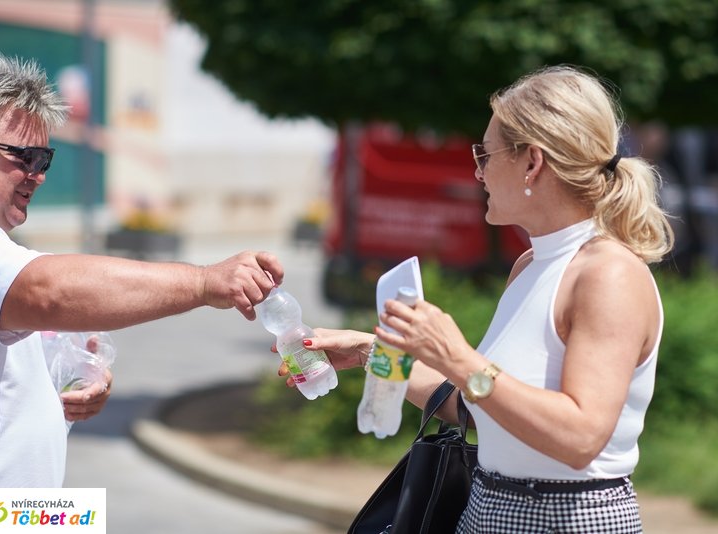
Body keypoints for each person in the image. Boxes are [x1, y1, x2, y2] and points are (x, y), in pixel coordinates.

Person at [282, 66, 673, 532]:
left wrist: (458, 357)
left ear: (532, 162)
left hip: (564, 519)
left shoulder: (608, 274)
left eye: (485, 154)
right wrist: (374, 353)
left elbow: (581, 436)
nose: (477, 170)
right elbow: (480, 407)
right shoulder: (531, 265)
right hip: (491, 509)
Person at [0, 54, 283, 488]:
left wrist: (73, 379)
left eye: (45, 161)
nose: (36, 176)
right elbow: (48, 293)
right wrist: (204, 282)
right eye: (25, 157)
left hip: (20, 516)